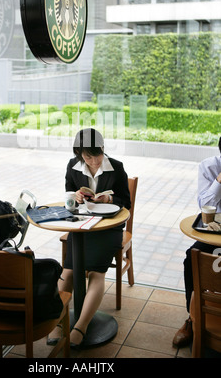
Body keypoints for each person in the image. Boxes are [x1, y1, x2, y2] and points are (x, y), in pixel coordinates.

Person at [48, 128, 131, 349]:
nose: (93, 161)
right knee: (68, 270)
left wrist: (109, 197)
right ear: (79, 153)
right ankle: (58, 322)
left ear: (103, 149)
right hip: (82, 227)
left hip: (108, 228)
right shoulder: (72, 166)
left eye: (96, 155)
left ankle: (81, 326)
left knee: (96, 272)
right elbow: (68, 194)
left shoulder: (117, 167)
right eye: (87, 156)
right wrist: (74, 196)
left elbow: (126, 202)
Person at [172, 137, 221, 348]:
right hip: (214, 231)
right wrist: (219, 181)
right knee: (192, 259)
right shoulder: (209, 166)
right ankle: (193, 318)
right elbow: (205, 205)